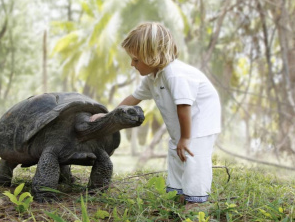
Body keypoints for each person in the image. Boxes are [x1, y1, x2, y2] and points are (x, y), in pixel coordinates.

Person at [90, 22, 221, 210]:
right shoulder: (153, 78)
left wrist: (185, 137)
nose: (132, 64)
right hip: (184, 126)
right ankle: (179, 192)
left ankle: (197, 201)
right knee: (176, 152)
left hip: (201, 122)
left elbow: (184, 106)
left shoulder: (175, 74)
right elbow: (133, 98)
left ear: (153, 56)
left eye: (136, 60)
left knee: (194, 156)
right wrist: (108, 116)